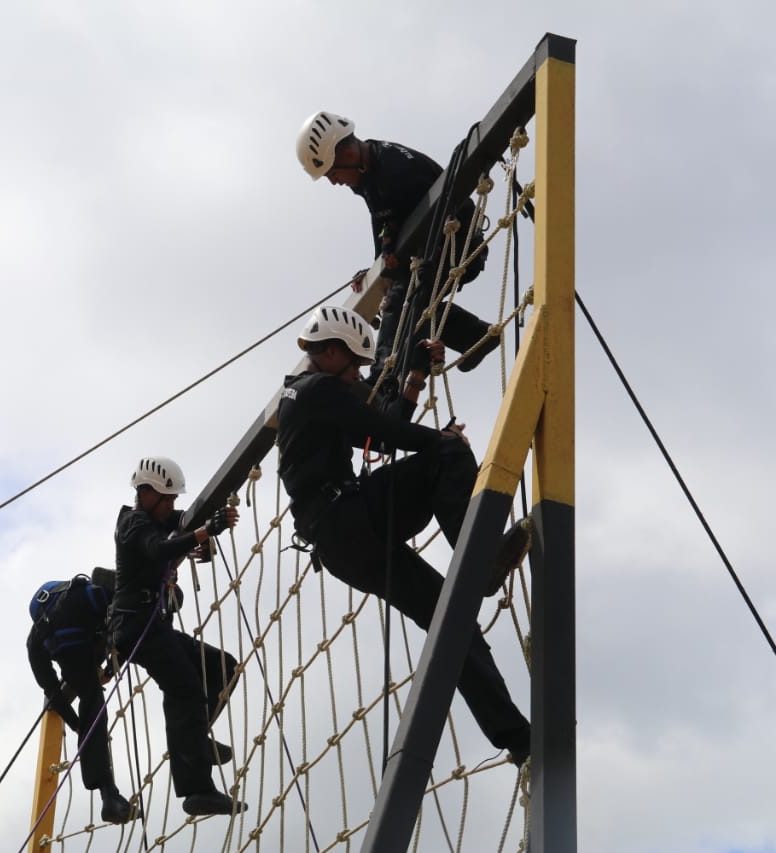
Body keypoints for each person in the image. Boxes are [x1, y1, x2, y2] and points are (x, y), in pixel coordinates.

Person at [277, 305, 531, 765]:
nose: (357, 375)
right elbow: (386, 432)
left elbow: (376, 433)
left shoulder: (304, 394)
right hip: (350, 519)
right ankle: (483, 559)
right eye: (354, 365)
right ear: (331, 353)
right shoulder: (320, 390)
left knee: (453, 620)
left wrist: (414, 376)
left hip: (344, 544)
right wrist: (443, 440)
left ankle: (517, 738)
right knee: (449, 455)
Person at [295, 111, 499, 386]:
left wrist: (390, 253)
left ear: (348, 154)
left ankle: (382, 376)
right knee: (415, 306)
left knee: (400, 300)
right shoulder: (368, 168)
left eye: (333, 173)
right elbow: (382, 216)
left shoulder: (394, 169)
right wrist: (378, 261)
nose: (334, 182)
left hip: (456, 242)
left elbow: (395, 214)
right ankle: (475, 336)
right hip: (434, 245)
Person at [109, 457, 248, 816]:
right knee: (185, 689)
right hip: (136, 626)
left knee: (222, 666)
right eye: (166, 498)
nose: (170, 505)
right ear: (145, 493)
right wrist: (204, 533)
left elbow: (183, 523)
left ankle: (194, 740)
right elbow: (158, 549)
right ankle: (197, 790)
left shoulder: (160, 518)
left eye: (172, 499)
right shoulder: (133, 523)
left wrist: (203, 535)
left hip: (154, 625)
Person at [26, 574, 140, 824]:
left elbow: (51, 690)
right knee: (139, 621)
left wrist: (76, 723)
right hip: (86, 628)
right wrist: (114, 665)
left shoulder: (34, 639)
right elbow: (130, 607)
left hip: (66, 653)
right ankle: (109, 796)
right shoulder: (86, 594)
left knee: (91, 699)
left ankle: (108, 795)